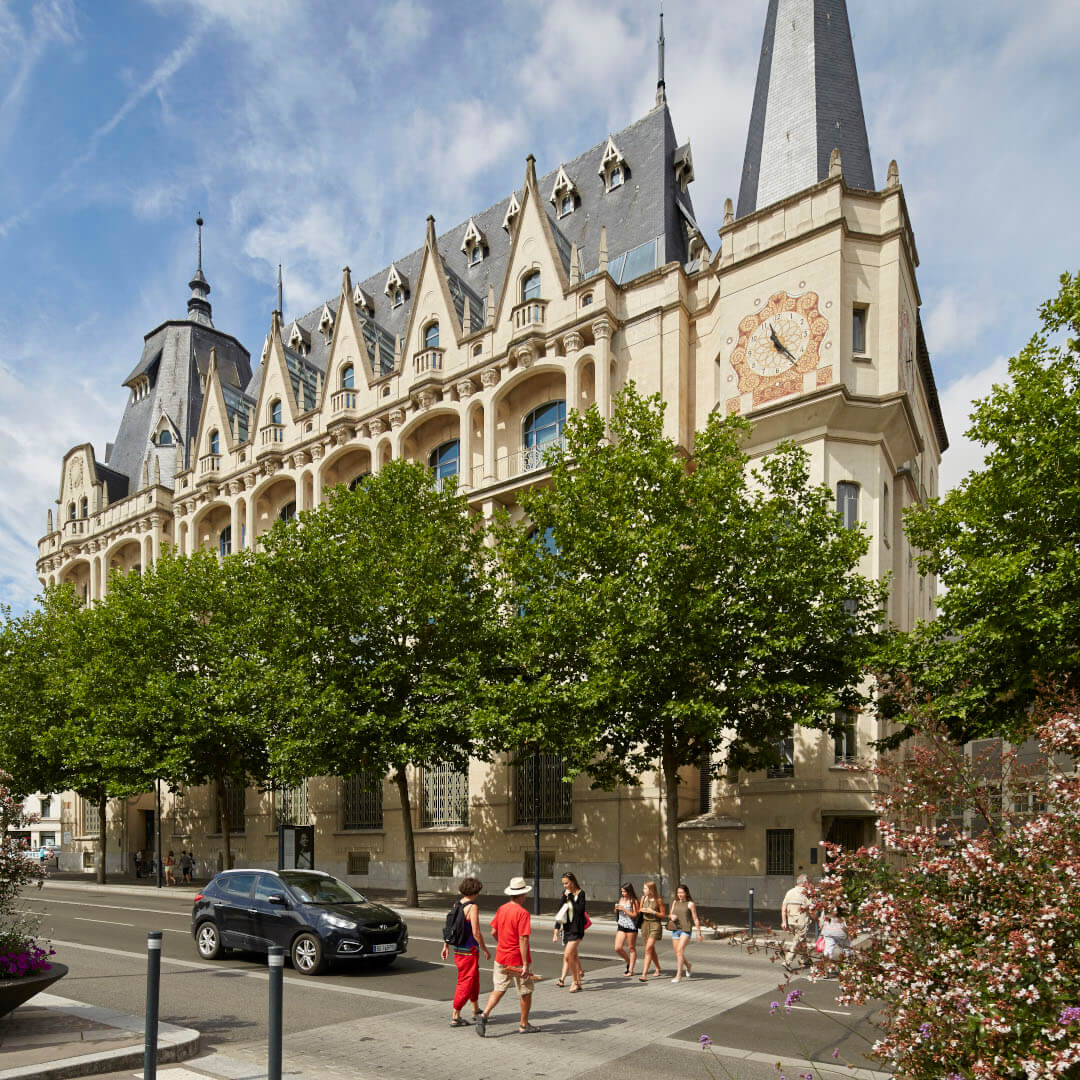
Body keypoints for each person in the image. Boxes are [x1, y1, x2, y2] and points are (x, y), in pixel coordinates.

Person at [476, 876, 538, 1036]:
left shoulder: (502, 909)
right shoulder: (523, 913)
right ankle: (524, 1024)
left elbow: (493, 931)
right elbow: (523, 939)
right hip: (516, 959)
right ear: (522, 895)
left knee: (499, 989)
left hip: (501, 957)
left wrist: (502, 943)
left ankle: (484, 1015)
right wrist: (525, 964)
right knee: (525, 991)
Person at [440, 876, 491, 1027]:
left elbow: (450, 927)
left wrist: (446, 945)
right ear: (475, 891)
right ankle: (456, 1015)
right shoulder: (472, 907)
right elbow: (476, 932)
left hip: (459, 950)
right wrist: (485, 949)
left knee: (474, 980)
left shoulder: (457, 904)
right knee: (465, 983)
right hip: (468, 951)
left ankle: (475, 1010)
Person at [552, 870, 587, 992]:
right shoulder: (565, 893)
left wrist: (570, 897)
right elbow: (560, 912)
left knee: (567, 955)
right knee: (572, 955)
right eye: (563, 884)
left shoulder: (581, 893)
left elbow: (579, 910)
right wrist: (556, 930)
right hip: (567, 928)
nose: (564, 886)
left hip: (577, 929)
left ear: (572, 882)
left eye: (566, 883)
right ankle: (578, 982)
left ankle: (574, 982)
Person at [668, 883, 704, 982]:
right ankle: (688, 965)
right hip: (676, 929)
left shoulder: (690, 904)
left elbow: (695, 919)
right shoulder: (675, 902)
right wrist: (672, 917)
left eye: (681, 892)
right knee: (677, 953)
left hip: (686, 930)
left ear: (686, 893)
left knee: (679, 951)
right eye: (678, 892)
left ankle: (679, 975)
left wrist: (699, 933)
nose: (679, 894)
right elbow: (670, 915)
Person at [781, 873, 811, 971]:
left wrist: (784, 921)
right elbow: (811, 907)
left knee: (801, 940)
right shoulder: (805, 893)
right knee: (798, 941)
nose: (808, 884)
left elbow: (784, 907)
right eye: (808, 882)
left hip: (791, 922)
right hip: (801, 921)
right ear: (804, 883)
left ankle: (805, 959)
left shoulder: (789, 892)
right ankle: (787, 961)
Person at [637, 879, 666, 982]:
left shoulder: (658, 900)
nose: (643, 890)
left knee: (648, 948)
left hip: (655, 925)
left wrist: (653, 912)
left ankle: (644, 974)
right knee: (651, 949)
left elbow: (663, 915)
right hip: (645, 924)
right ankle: (658, 967)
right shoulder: (643, 898)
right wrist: (642, 910)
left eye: (645, 888)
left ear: (651, 890)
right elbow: (639, 910)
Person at [613, 881, 640, 977]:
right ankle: (629, 961)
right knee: (617, 947)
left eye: (624, 892)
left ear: (629, 891)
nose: (623, 893)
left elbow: (635, 915)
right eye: (622, 892)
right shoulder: (621, 899)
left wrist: (624, 909)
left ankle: (631, 970)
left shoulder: (634, 901)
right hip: (621, 925)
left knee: (631, 948)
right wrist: (616, 909)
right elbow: (616, 911)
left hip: (631, 926)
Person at [819, 906, 851, 975]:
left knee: (828, 950)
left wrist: (822, 930)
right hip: (840, 932)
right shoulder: (841, 906)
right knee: (846, 948)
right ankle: (845, 969)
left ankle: (826, 971)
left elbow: (821, 922)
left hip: (828, 931)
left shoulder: (825, 906)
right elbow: (844, 924)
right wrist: (848, 933)